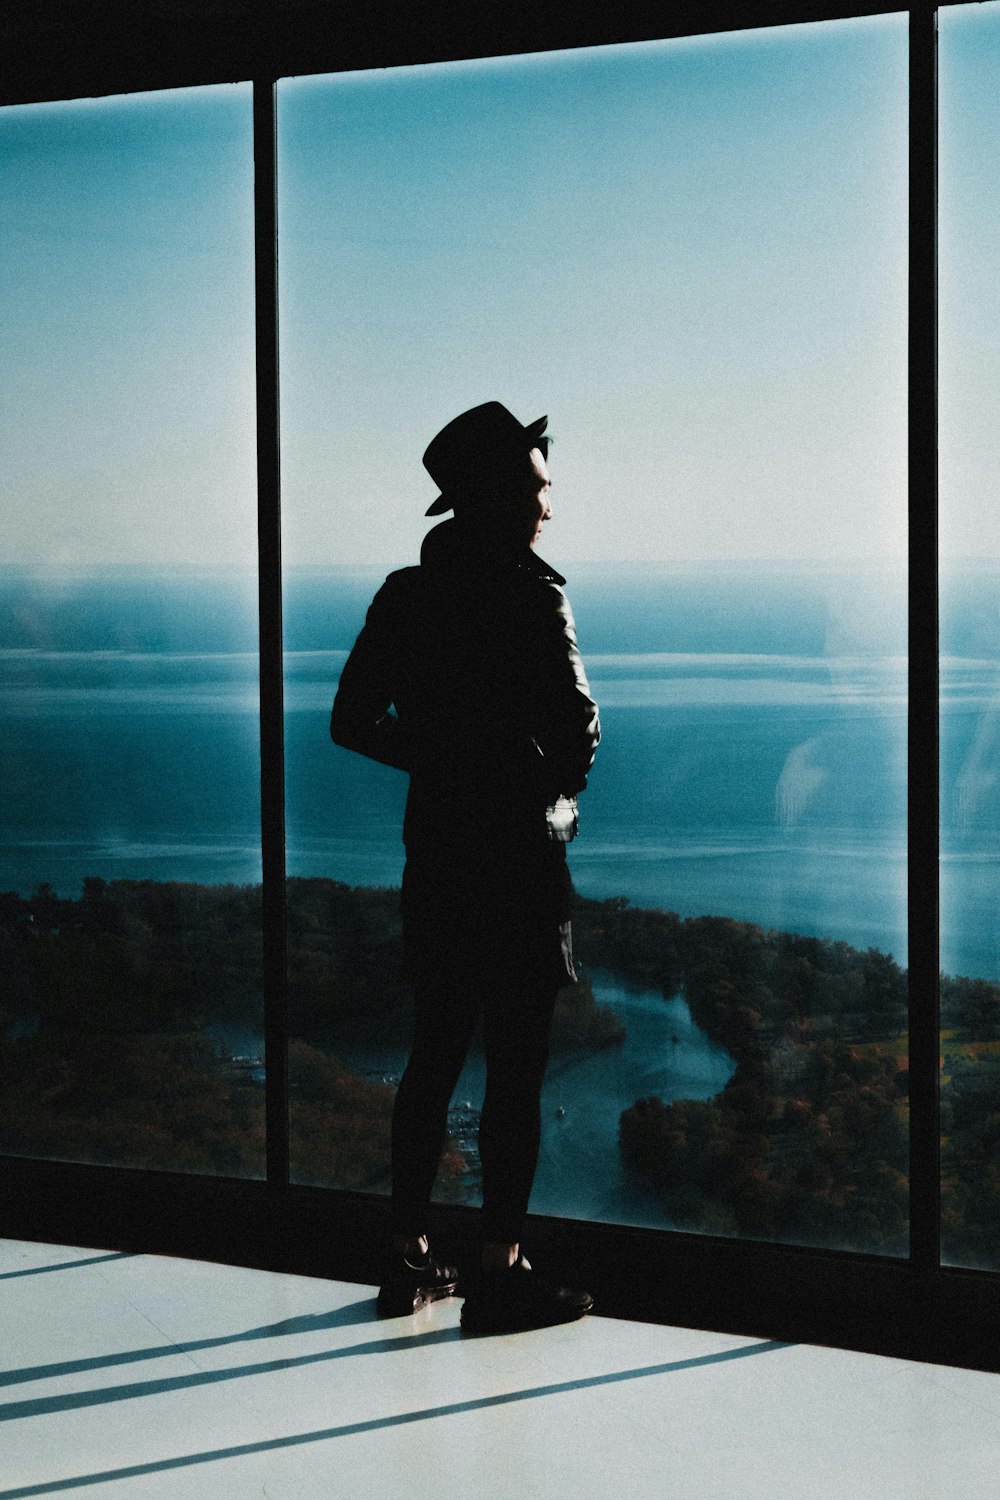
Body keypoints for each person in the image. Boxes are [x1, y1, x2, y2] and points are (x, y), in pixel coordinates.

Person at [330, 401, 600, 1332]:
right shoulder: (535, 596)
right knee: (516, 1070)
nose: (545, 508)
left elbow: (350, 722)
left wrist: (442, 763)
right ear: (489, 495)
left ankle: (406, 1263)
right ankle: (499, 1272)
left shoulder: (406, 595)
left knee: (433, 1059)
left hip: (440, 858)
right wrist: (546, 797)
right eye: (532, 487)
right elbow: (578, 734)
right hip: (521, 863)